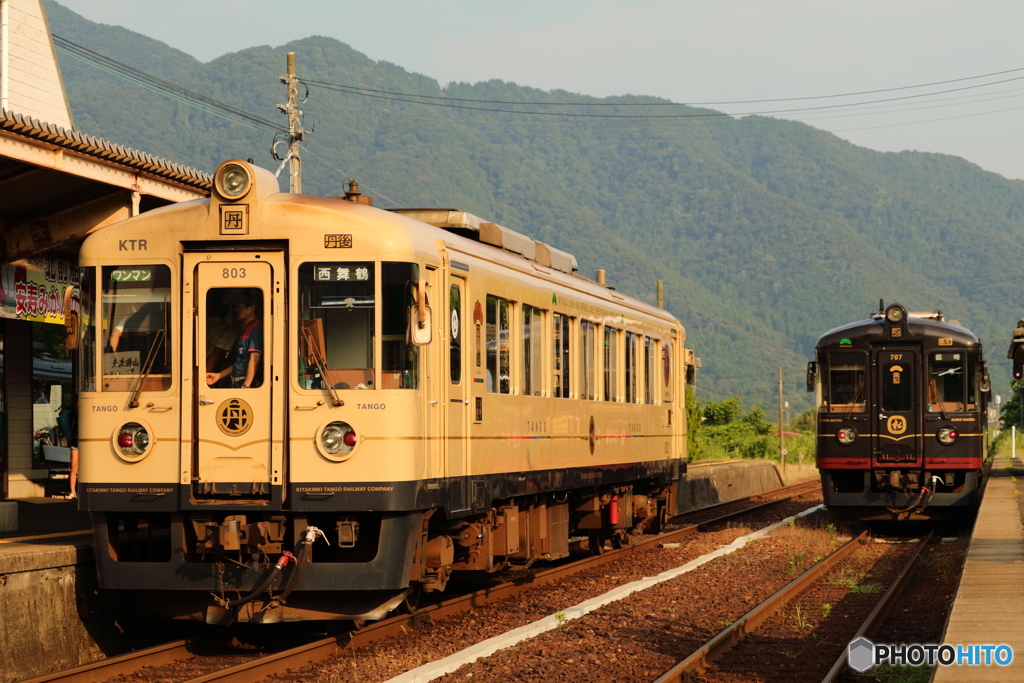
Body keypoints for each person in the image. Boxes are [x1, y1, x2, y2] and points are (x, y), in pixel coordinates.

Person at [206, 290, 263, 388]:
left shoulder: (256, 329)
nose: (237, 310)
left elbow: (254, 359)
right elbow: (240, 362)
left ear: (251, 309)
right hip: (238, 381)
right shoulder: (247, 329)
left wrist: (246, 385)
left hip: (244, 382)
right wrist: (219, 375)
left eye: (240, 307)